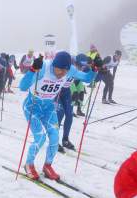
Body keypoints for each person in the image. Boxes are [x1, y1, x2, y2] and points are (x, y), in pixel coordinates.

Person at [19, 51, 96, 180]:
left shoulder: (70, 70)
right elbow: (22, 86)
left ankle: (47, 166)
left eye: (64, 71)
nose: (61, 73)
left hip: (49, 108)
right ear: (53, 65)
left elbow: (87, 78)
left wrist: (94, 69)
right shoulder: (44, 67)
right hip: (32, 107)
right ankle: (28, 164)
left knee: (55, 137)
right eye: (59, 69)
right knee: (40, 138)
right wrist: (32, 70)